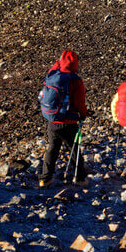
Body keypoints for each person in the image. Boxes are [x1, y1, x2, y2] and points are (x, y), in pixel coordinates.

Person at [37, 50, 88, 187]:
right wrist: (83, 115)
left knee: (52, 148)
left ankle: (45, 179)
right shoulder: (75, 80)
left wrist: (58, 63)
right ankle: (80, 178)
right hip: (68, 122)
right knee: (73, 149)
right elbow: (79, 103)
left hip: (52, 120)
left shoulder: (52, 74)